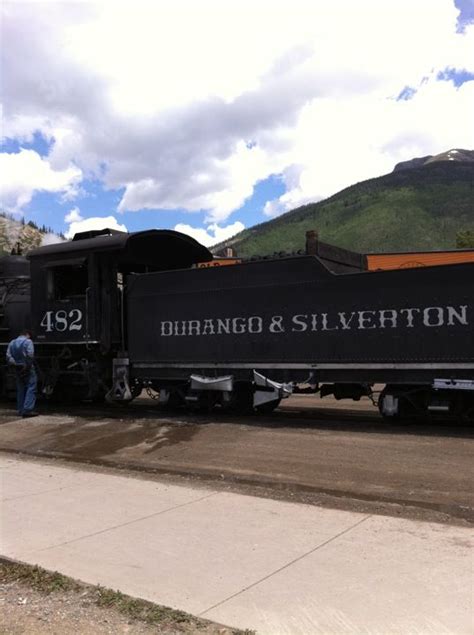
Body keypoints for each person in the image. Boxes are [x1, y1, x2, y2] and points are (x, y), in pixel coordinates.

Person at [6, 329, 38, 418]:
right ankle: (27, 410)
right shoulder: (28, 341)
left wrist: (16, 365)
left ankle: (20, 410)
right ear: (27, 334)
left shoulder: (12, 342)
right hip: (27, 368)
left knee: (20, 389)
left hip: (17, 369)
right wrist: (26, 367)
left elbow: (8, 356)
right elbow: (30, 355)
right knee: (31, 387)